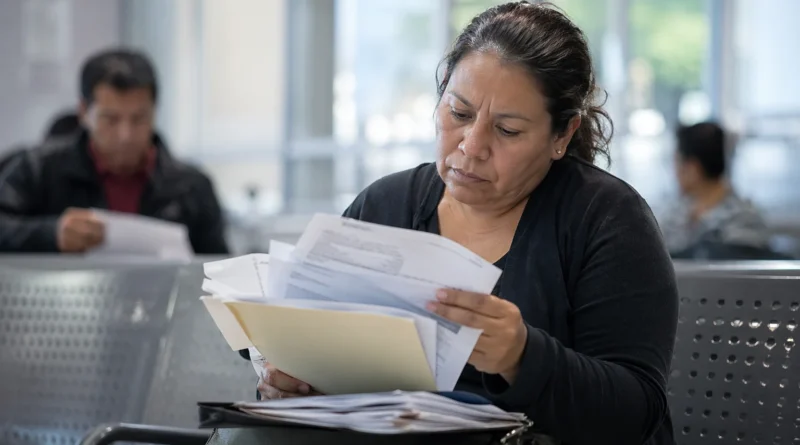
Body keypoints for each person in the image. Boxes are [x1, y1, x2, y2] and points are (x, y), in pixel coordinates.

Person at [252, 2, 677, 445]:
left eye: (507, 130)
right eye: (458, 113)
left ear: (562, 135)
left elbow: (637, 414)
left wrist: (523, 357)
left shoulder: (606, 220)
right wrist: (290, 385)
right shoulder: (385, 206)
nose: (472, 146)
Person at [0, 49, 229, 254]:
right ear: (83, 113)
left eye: (139, 118)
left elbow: (220, 270)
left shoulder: (192, 188)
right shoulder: (37, 170)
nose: (125, 135)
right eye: (110, 119)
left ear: (155, 112)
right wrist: (50, 234)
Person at [659, 121, 770, 257]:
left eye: (677, 163)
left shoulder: (744, 218)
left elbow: (738, 273)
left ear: (693, 169)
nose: (675, 173)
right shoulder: (674, 214)